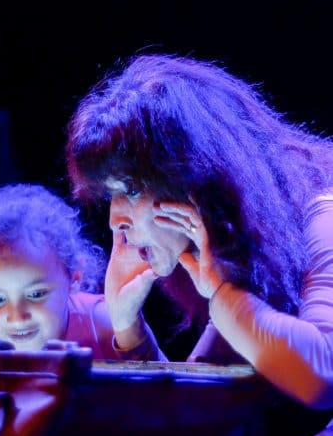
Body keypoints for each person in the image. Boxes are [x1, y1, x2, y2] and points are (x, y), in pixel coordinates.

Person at [66, 52, 333, 409]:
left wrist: (224, 295)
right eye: (111, 196)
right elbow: (192, 415)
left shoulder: (323, 212)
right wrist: (127, 325)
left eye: (129, 190)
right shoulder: (239, 264)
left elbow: (320, 380)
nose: (116, 221)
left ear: (195, 179)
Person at [0, 183, 164, 360]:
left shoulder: (105, 323)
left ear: (74, 277)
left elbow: (173, 395)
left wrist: (129, 332)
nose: (17, 317)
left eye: (36, 294)